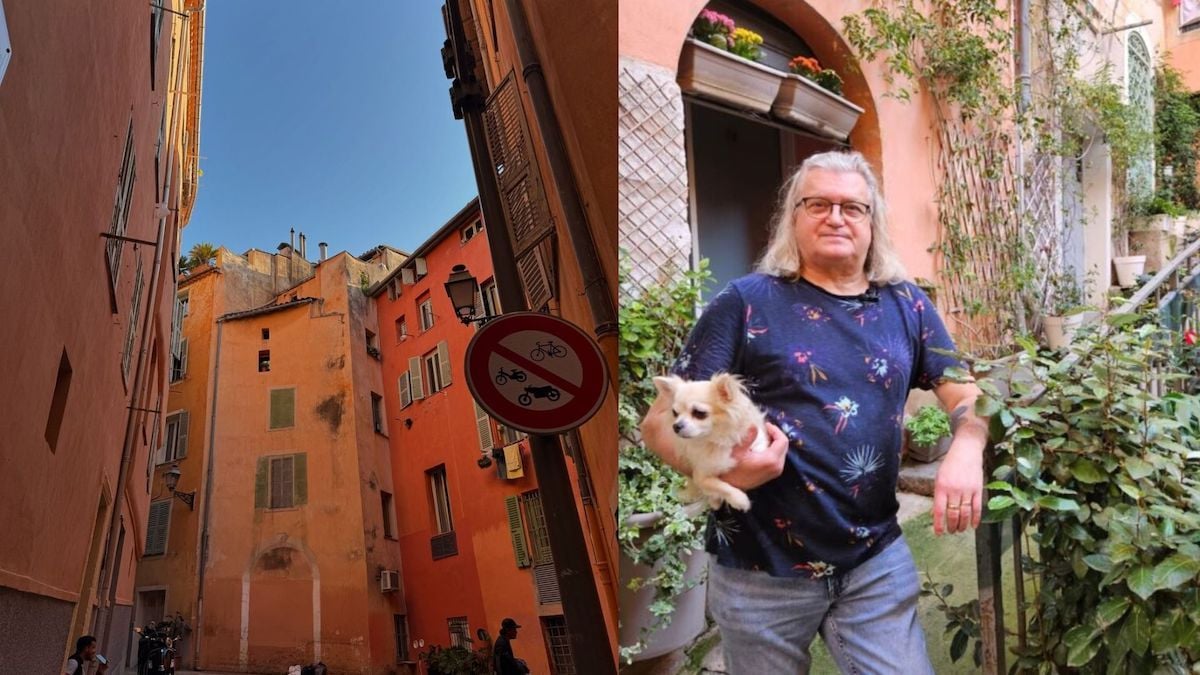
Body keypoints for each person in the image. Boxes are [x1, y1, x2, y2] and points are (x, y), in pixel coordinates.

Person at [641, 150, 988, 674]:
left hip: (873, 557)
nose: (835, 216)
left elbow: (965, 395)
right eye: (818, 203)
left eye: (853, 207)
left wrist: (966, 446)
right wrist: (718, 471)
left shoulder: (906, 305)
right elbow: (655, 423)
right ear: (793, 217)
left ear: (873, 223)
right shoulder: (745, 302)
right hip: (761, 569)